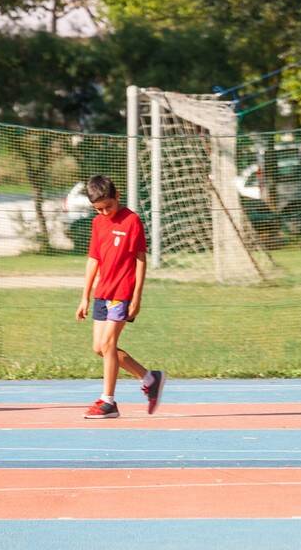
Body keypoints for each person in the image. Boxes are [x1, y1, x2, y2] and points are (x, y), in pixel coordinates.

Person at [74, 175, 166, 418]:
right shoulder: (97, 223)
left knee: (108, 344)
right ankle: (149, 378)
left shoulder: (132, 221)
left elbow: (140, 259)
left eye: (109, 207)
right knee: (99, 348)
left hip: (122, 293)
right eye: (99, 209)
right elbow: (94, 260)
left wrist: (137, 296)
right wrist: (85, 296)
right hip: (102, 294)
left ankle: (108, 402)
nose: (105, 213)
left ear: (118, 197)